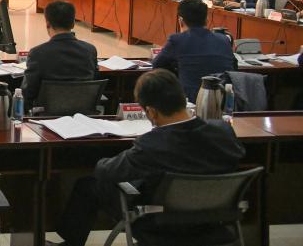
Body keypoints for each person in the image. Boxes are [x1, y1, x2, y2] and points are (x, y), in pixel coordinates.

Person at [51, 69, 245, 246]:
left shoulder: (153, 144)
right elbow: (238, 155)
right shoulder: (224, 132)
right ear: (182, 98)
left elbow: (107, 172)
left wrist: (103, 160)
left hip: (160, 225)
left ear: (151, 112)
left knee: (89, 185)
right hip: (214, 221)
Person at [151, 0, 236, 102]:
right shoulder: (224, 39)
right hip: (225, 100)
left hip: (190, 101)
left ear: (180, 21)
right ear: (207, 20)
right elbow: (234, 68)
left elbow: (157, 65)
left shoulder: (177, 40)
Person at [21, 0, 98, 105]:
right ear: (73, 23)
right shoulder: (90, 50)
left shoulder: (38, 53)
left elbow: (27, 93)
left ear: (47, 24)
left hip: (46, 113)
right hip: (82, 111)